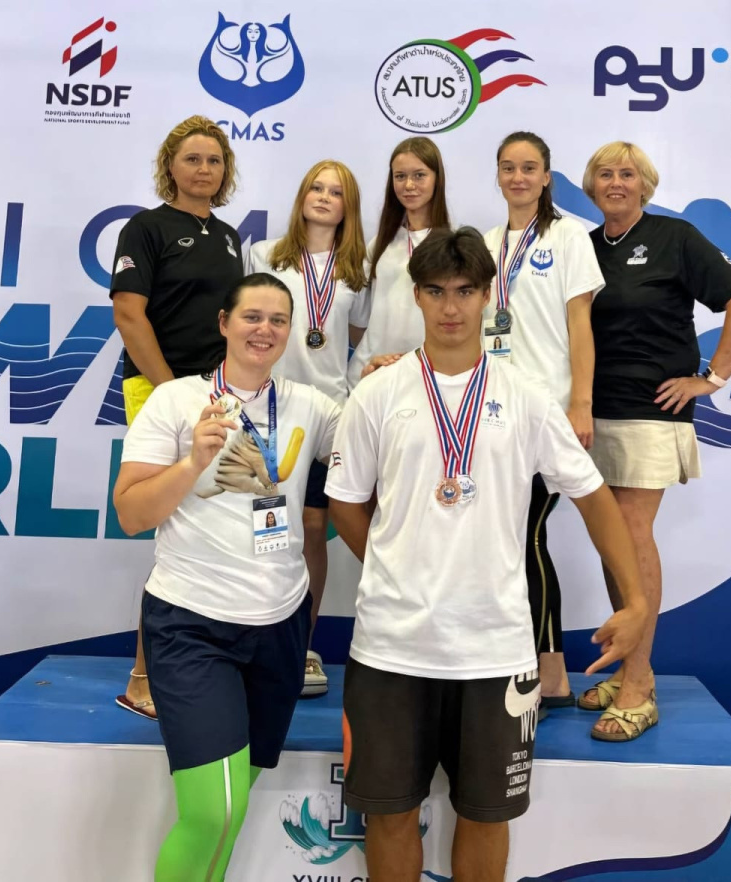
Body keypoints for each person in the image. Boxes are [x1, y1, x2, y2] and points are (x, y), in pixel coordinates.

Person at [326, 228, 647, 881]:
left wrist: (636, 599)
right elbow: (346, 503)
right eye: (437, 291)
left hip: (496, 650)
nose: (451, 307)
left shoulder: (525, 395)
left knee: (486, 818)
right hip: (391, 649)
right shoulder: (377, 394)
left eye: (465, 291)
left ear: (486, 295)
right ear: (416, 296)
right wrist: (391, 562)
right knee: (390, 816)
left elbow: (593, 497)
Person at [113, 273, 340, 880]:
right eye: (251, 317)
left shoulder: (312, 406)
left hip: (280, 626)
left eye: (278, 320)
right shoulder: (176, 401)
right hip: (192, 623)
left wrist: (391, 377)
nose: (264, 330)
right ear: (223, 324)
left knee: (233, 806)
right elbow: (131, 513)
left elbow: (378, 442)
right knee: (214, 812)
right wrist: (193, 460)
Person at [579, 141, 731, 741]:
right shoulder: (582, 248)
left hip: (652, 411)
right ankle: (631, 667)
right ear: (591, 185)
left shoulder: (675, 237)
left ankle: (637, 685)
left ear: (645, 184)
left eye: (627, 174)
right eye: (605, 174)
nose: (616, 182)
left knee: (633, 534)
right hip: (592, 412)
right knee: (612, 543)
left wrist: (712, 378)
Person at [110, 114, 243, 721]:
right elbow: (129, 315)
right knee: (170, 529)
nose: (204, 169)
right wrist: (171, 393)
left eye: (214, 160)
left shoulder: (230, 236)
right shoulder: (146, 227)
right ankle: (142, 679)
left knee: (205, 529)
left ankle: (196, 668)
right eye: (192, 158)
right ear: (171, 166)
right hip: (159, 389)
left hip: (216, 395)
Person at [483, 131, 606, 714]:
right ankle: (530, 665)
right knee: (507, 539)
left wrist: (581, 402)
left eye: (529, 167)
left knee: (527, 534)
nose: (518, 177)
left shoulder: (569, 236)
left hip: (548, 411)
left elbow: (580, 325)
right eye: (508, 167)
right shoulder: (486, 244)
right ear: (498, 175)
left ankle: (551, 673)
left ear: (546, 176)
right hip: (491, 412)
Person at [250, 159, 369, 696]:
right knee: (267, 527)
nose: (323, 197)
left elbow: (358, 338)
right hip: (268, 410)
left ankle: (301, 645)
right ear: (302, 196)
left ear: (348, 207)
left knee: (314, 528)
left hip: (326, 415)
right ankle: (257, 641)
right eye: (316, 188)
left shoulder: (357, 269)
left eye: (335, 192)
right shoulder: (264, 255)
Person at [346, 136, 451, 387]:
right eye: (400, 176)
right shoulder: (380, 244)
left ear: (437, 179)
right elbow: (358, 319)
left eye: (419, 175)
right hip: (373, 372)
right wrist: (373, 354)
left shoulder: (453, 244)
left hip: (429, 376)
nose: (409, 185)